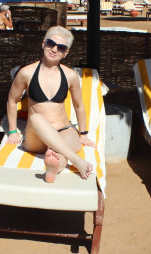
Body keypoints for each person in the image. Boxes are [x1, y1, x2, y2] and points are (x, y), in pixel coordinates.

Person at [6, 26, 94, 183]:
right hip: (37, 135)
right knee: (36, 118)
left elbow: (79, 105)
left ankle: (53, 169)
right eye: (51, 43)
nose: (54, 49)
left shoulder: (70, 75)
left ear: (66, 53)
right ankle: (75, 159)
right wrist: (13, 131)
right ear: (43, 43)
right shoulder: (26, 72)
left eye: (61, 47)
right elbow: (12, 101)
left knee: (60, 153)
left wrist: (83, 133)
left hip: (64, 129)